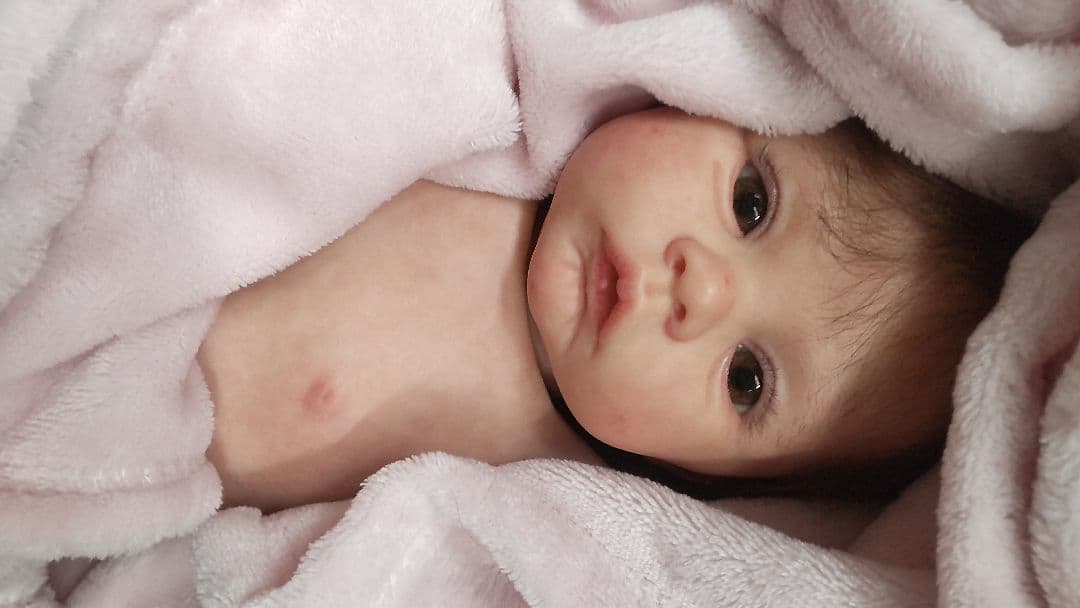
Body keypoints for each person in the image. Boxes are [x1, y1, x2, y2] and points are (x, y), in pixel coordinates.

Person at [197, 107, 1032, 512]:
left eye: (746, 380)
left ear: (708, 476)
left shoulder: (532, 505)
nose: (702, 292)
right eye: (751, 205)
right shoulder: (495, 102)